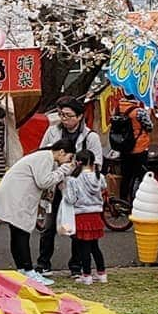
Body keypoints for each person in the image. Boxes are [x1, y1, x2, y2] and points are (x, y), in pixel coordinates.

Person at [0, 138, 77, 281]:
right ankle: (29, 271)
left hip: (15, 196)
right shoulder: (45, 158)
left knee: (17, 234)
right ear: (62, 152)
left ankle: (22, 269)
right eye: (69, 157)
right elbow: (44, 181)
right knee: (22, 234)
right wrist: (63, 171)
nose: (68, 161)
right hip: (18, 198)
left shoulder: (43, 156)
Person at [35, 97, 103, 275]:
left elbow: (97, 164)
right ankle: (43, 263)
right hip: (55, 185)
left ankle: (76, 265)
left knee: (78, 228)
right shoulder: (52, 131)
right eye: (61, 115)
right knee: (48, 227)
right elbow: (43, 154)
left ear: (80, 116)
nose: (64, 119)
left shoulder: (90, 137)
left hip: (78, 190)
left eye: (68, 115)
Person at [63, 149, 107, 285]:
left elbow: (70, 199)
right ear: (93, 162)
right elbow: (104, 188)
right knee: (95, 246)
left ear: (77, 162)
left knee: (83, 248)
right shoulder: (100, 177)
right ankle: (102, 273)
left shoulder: (73, 179)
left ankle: (86, 275)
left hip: (81, 216)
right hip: (96, 215)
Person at [110, 92, 152, 202]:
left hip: (124, 147)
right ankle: (137, 200)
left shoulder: (118, 108)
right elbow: (149, 127)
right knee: (140, 175)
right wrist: (148, 113)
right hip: (139, 147)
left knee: (126, 175)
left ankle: (123, 200)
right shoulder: (139, 112)